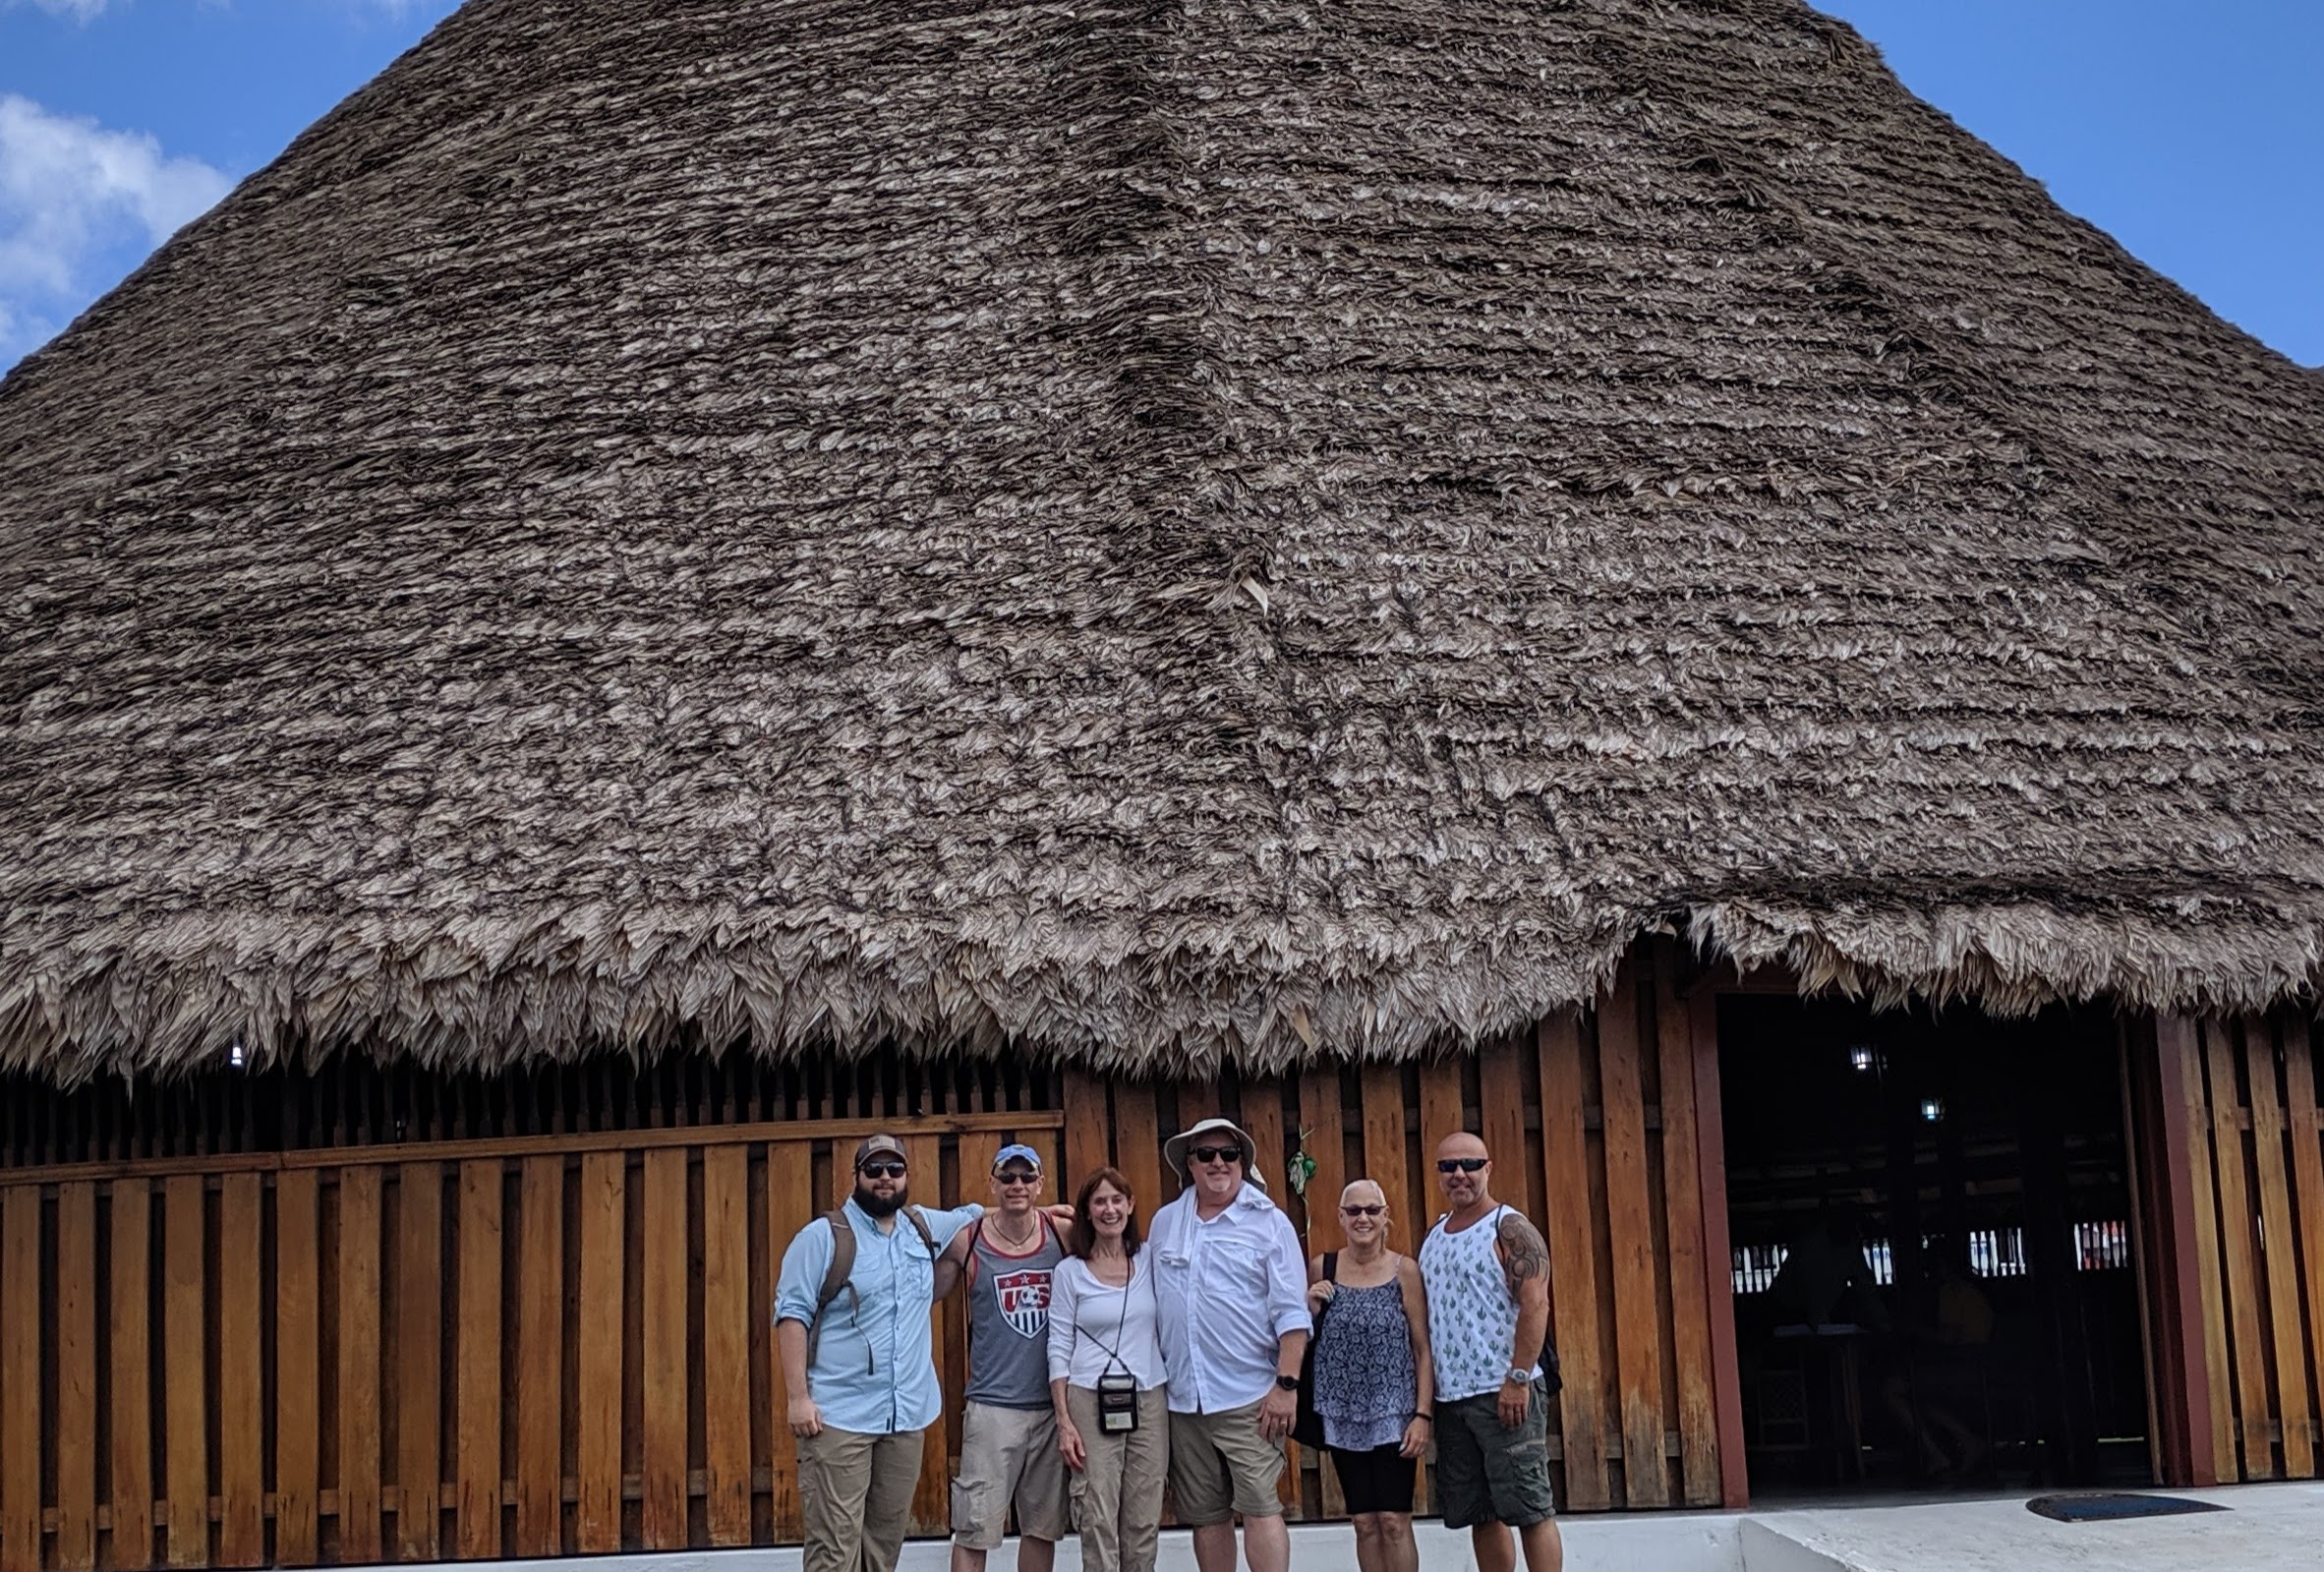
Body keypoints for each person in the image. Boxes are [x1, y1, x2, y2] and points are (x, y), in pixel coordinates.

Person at [775, 1135, 987, 1572]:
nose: (885, 1178)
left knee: (882, 1547)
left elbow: (981, 1217)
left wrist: (1049, 1216)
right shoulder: (822, 1237)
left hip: (905, 1418)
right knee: (834, 1552)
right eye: (874, 1170)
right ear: (856, 1176)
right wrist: (798, 1398)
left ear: (907, 1175)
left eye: (894, 1169)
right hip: (838, 1417)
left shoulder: (921, 1226)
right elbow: (791, 1314)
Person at [1149, 1116, 1309, 1572]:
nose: (1218, 1162)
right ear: (1190, 1164)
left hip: (1250, 1396)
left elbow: (1292, 1313)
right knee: (1205, 1516)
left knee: (1260, 1506)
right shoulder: (1164, 1222)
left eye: (1229, 1154)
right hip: (1184, 1399)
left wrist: (1286, 1385)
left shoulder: (1269, 1222)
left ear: (1242, 1161)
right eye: (1206, 1154)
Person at [1419, 1133, 1565, 1572]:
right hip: (1452, 1399)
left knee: (1530, 1507)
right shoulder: (1434, 1235)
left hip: (1504, 1391)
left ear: (1488, 1169)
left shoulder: (1509, 1227)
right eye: (1448, 1166)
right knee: (1481, 1513)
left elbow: (1536, 1304)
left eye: (1469, 1164)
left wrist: (1518, 1377)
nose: (1459, 1174)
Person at [932, 1143, 1071, 1572]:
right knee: (974, 1528)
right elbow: (924, 1284)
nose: (1017, 1185)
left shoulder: (1061, 1233)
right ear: (992, 1183)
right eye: (1007, 1177)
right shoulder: (969, 1239)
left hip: (1052, 1408)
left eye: (1027, 1177)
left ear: (1040, 1183)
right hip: (992, 1407)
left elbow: (1110, 1234)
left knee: (1042, 1528)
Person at [1306, 1179, 1432, 1572]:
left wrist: (1422, 1414)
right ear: (1341, 1217)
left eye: (1372, 1210)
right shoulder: (1322, 1267)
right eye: (1354, 1211)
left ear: (1385, 1216)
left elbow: (1422, 1348)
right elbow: (1302, 1338)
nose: (1363, 1218)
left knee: (1394, 1521)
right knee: (1363, 1523)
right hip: (1342, 1412)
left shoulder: (1404, 1270)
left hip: (1394, 1412)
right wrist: (1310, 1308)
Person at [1049, 1166, 1169, 1572]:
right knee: (1096, 1510)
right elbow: (1058, 1345)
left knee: (1144, 1512)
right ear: (1087, 1211)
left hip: (1148, 1395)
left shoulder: (1149, 1259)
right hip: (1089, 1397)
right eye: (1099, 1201)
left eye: (1117, 1200)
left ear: (1130, 1205)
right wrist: (1064, 1420)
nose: (1109, 1209)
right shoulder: (1069, 1272)